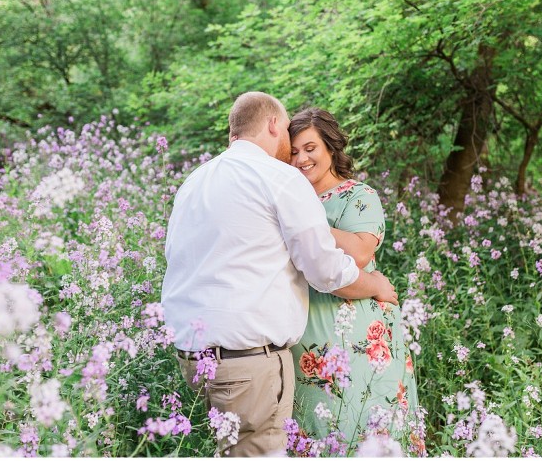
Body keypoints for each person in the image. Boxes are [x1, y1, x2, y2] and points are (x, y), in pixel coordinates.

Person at [161, 92, 398, 457]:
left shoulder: (195, 181)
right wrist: (377, 284)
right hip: (248, 363)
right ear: (274, 124)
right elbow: (326, 271)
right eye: (289, 134)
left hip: (195, 358)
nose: (294, 152)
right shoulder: (279, 179)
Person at [287, 108, 423, 454]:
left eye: (310, 148)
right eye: (293, 152)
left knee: (363, 419)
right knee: (315, 427)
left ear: (331, 148)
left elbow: (360, 253)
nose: (301, 158)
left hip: (358, 329)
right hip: (305, 331)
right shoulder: (288, 200)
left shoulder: (359, 196)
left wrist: (307, 225)